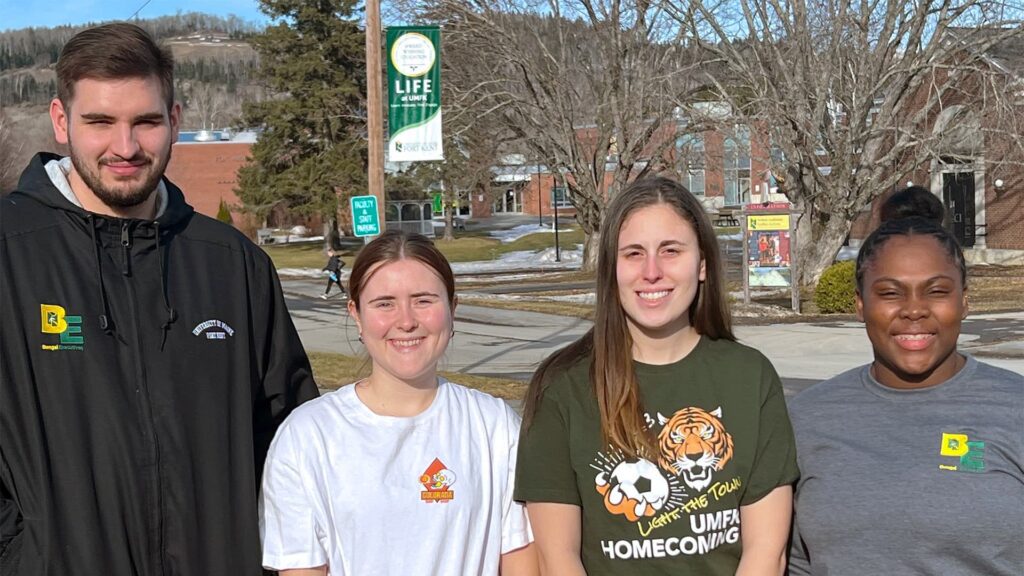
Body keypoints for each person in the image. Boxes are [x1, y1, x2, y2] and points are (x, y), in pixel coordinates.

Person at [0, 23, 319, 575]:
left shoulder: (233, 266)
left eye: (145, 122)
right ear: (60, 121)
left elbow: (293, 443)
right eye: (100, 121)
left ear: (174, 120)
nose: (125, 147)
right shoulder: (10, 256)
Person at [515, 177, 798, 575]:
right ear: (611, 269)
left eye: (671, 251)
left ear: (701, 265)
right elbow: (556, 558)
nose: (652, 272)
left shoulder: (750, 378)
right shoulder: (563, 388)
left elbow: (767, 553)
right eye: (633, 253)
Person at [260, 230, 537, 575]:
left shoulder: (493, 425)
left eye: (424, 300)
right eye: (385, 303)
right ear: (357, 315)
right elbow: (301, 568)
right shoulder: (307, 436)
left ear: (452, 309)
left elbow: (520, 558)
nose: (406, 321)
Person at [787, 187, 1024, 575]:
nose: (914, 309)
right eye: (890, 293)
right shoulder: (808, 418)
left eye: (936, 291)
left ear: (964, 300)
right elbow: (794, 560)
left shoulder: (1015, 409)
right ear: (860, 304)